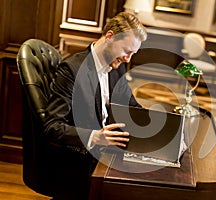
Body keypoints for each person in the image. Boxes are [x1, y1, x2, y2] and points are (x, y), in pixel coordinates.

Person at [43, 12, 147, 200]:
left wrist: (160, 123)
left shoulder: (118, 66)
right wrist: (95, 136)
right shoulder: (72, 70)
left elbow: (131, 106)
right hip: (78, 162)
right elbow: (52, 127)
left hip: (106, 154)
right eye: (126, 51)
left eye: (132, 54)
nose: (128, 59)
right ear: (109, 37)